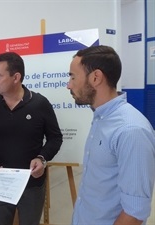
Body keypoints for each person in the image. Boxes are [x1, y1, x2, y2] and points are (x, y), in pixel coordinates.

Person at [67, 45, 155, 225]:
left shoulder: (131, 131)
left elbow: (134, 213)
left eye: (73, 76)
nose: (69, 84)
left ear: (96, 78)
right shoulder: (101, 118)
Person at [0, 52, 63, 225]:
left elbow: (55, 138)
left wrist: (42, 158)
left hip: (31, 183)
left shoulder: (40, 104)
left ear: (16, 77)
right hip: (0, 181)